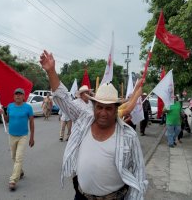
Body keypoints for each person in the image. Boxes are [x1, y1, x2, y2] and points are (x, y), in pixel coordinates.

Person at [40, 50, 147, 200]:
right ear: (94, 106)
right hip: (81, 196)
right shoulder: (84, 119)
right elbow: (64, 98)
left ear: (116, 109)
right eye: (100, 107)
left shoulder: (129, 135)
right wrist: (51, 71)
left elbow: (139, 175)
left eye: (109, 108)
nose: (103, 112)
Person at [0, 88, 35, 191]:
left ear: (24, 97)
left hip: (23, 136)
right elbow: (7, 120)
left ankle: (13, 180)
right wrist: (2, 113)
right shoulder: (10, 106)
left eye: (20, 94)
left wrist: (32, 137)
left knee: (19, 158)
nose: (18, 96)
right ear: (14, 96)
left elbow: (32, 122)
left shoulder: (28, 108)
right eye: (16, 94)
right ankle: (20, 171)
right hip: (12, 136)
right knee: (13, 157)